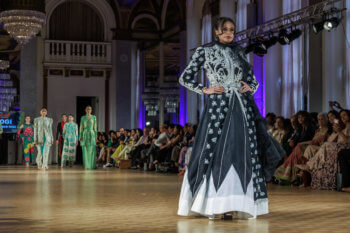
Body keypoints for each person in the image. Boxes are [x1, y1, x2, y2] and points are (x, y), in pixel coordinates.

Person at [177, 17, 282, 220]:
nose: (228, 33)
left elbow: (252, 79)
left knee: (240, 152)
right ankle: (217, 203)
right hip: (218, 108)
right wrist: (205, 90)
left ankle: (237, 202)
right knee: (216, 151)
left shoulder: (239, 52)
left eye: (232, 30)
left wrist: (250, 87)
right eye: (224, 29)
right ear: (216, 31)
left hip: (242, 109)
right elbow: (185, 77)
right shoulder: (204, 52)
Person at [79, 106, 97, 170]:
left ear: (91, 110)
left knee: (91, 150)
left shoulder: (94, 117)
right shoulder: (83, 118)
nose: (88, 110)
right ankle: (86, 165)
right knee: (85, 150)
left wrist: (95, 136)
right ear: (85, 110)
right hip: (85, 134)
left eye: (89, 109)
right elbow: (81, 127)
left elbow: (95, 128)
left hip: (92, 134)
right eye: (87, 109)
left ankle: (92, 165)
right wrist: (80, 136)